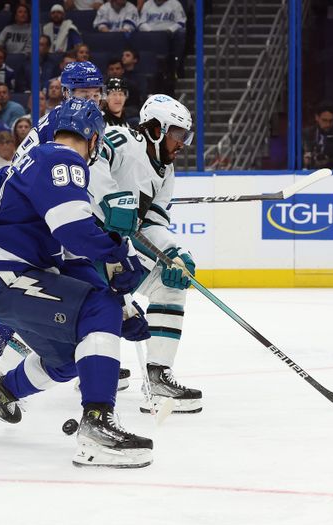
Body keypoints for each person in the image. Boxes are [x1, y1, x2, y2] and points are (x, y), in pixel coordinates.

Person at [0, 97, 153, 468]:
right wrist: (117, 255)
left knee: (68, 358)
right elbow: (74, 230)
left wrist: (122, 308)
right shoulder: (63, 159)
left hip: (2, 278)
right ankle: (97, 424)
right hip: (7, 275)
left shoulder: (41, 161)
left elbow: (74, 262)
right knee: (99, 308)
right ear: (93, 139)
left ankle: (2, 391)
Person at [94, 94, 202, 414]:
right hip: (80, 248)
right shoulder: (123, 139)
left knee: (171, 284)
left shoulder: (166, 172)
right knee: (57, 324)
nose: (183, 143)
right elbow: (88, 160)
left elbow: (153, 223)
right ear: (156, 128)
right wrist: (108, 200)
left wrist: (175, 252)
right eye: (178, 134)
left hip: (119, 254)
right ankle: (0, 376)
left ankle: (158, 377)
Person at [138, 0, 186, 77]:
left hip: (169, 36)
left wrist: (170, 30)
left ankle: (174, 68)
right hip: (151, 36)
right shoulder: (147, 4)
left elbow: (181, 21)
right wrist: (151, 32)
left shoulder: (175, 3)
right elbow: (141, 23)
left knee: (180, 34)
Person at [302, 100, 333, 169]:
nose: (328, 124)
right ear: (316, 117)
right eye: (324, 120)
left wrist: (329, 161)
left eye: (331, 121)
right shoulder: (305, 134)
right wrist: (303, 160)